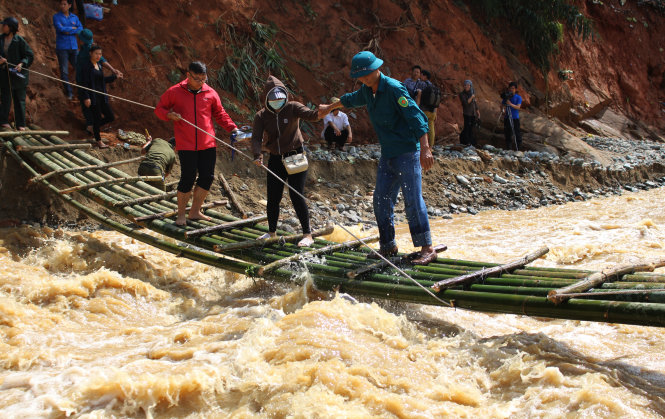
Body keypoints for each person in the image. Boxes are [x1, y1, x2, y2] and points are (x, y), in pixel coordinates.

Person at [319, 51, 437, 265]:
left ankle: (427, 248)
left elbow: (417, 117)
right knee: (381, 199)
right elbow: (350, 99)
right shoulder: (367, 91)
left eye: (365, 74)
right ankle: (388, 245)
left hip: (407, 153)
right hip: (388, 155)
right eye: (360, 77)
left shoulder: (393, 88)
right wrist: (329, 107)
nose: (363, 79)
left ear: (375, 70)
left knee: (412, 200)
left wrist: (425, 148)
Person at [155, 61, 240, 226]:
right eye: (197, 78)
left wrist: (233, 128)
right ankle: (181, 215)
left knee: (207, 177)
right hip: (186, 144)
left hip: (207, 143)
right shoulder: (175, 91)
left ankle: (195, 211)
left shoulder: (210, 93)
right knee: (187, 178)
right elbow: (159, 109)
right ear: (188, 75)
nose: (201, 82)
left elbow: (220, 113)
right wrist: (169, 115)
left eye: (203, 78)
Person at [252, 76, 321, 247]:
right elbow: (256, 138)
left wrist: (324, 110)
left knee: (296, 194)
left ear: (285, 95)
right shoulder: (261, 116)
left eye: (280, 98)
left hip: (295, 156)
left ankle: (307, 234)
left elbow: (312, 115)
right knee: (273, 197)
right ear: (267, 98)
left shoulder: (292, 107)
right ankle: (271, 232)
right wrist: (257, 155)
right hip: (276, 159)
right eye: (273, 99)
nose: (277, 101)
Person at [76, 29, 123, 134]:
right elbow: (103, 60)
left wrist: (113, 72)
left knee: (87, 104)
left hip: (84, 81)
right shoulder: (88, 50)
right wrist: (113, 70)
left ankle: (91, 126)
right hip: (89, 82)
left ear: (82, 40)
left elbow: (101, 60)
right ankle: (92, 126)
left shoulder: (85, 53)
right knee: (92, 104)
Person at [79, 44, 116, 149]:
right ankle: (99, 141)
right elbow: (84, 83)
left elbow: (102, 81)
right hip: (92, 97)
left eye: (100, 54)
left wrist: (115, 77)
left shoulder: (99, 65)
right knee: (97, 118)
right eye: (96, 53)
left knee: (110, 116)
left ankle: (93, 127)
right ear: (90, 53)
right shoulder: (87, 67)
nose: (98, 56)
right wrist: (86, 97)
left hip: (102, 96)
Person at [0, 17, 34, 131]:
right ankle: (4, 121)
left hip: (19, 76)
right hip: (5, 74)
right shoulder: (0, 39)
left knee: (20, 100)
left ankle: (21, 124)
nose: (2, 27)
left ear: (10, 28)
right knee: (6, 98)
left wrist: (22, 63)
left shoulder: (19, 41)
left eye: (4, 25)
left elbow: (29, 55)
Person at [53, 0, 82, 100]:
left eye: (64, 4)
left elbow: (80, 29)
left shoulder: (75, 17)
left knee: (79, 68)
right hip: (62, 48)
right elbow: (60, 29)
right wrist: (73, 29)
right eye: (61, 4)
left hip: (74, 47)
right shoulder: (56, 17)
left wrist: (68, 29)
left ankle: (81, 91)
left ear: (69, 5)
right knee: (64, 71)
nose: (62, 6)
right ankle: (69, 92)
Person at [419, 70, 438, 147]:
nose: (420, 76)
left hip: (424, 110)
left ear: (424, 76)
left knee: (422, 127)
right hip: (432, 111)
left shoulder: (422, 84)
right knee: (431, 129)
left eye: (421, 75)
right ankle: (431, 146)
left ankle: (422, 145)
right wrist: (435, 113)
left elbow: (419, 95)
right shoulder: (433, 86)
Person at [502, 81, 522, 150]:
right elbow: (502, 105)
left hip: (515, 118)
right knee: (507, 133)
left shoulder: (518, 97)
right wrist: (503, 110)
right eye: (510, 88)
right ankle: (508, 148)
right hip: (507, 117)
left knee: (517, 133)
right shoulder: (506, 96)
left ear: (515, 89)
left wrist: (510, 104)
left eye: (513, 88)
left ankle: (518, 148)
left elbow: (518, 107)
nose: (511, 90)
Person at [459, 80, 480, 147]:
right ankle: (466, 141)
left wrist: (477, 111)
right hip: (467, 113)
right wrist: (471, 97)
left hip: (473, 113)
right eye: (465, 85)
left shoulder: (472, 93)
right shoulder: (462, 94)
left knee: (472, 128)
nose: (466, 87)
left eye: (468, 85)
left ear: (470, 86)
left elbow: (474, 103)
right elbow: (465, 103)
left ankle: (471, 141)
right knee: (467, 127)